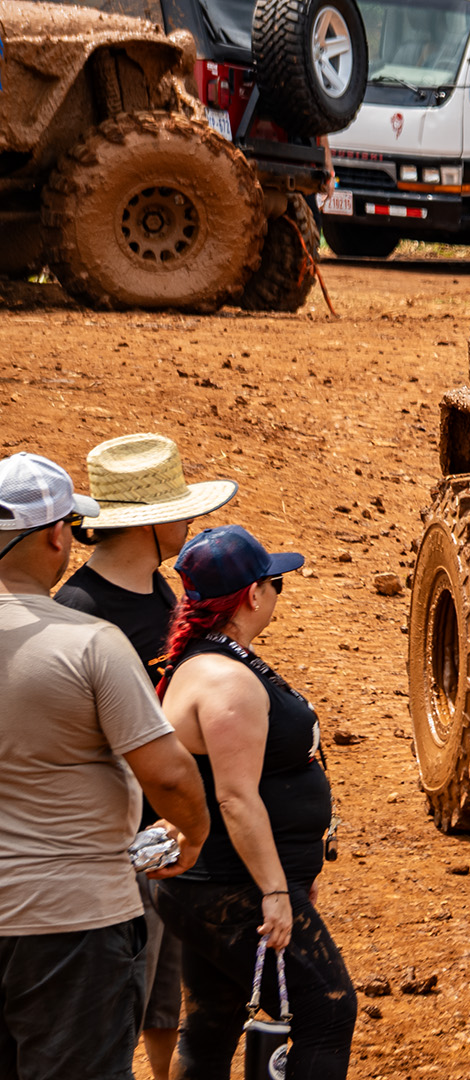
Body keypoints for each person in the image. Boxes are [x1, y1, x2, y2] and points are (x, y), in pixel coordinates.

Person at [0, 452, 209, 1080]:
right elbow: (168, 774)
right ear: (57, 536)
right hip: (70, 918)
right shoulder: (88, 641)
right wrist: (193, 830)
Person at [54, 434, 235, 1080]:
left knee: (162, 991)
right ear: (151, 523)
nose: (189, 525)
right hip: (114, 847)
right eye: (182, 512)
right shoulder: (81, 613)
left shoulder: (159, 593)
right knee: (115, 1001)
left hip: (163, 834)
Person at [154, 525, 355, 1080]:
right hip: (232, 886)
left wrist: (292, 872)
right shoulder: (227, 681)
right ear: (251, 594)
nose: (276, 592)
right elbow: (236, 798)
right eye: (275, 583)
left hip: (211, 884)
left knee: (212, 1022)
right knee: (327, 1010)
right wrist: (274, 890)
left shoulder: (207, 661)